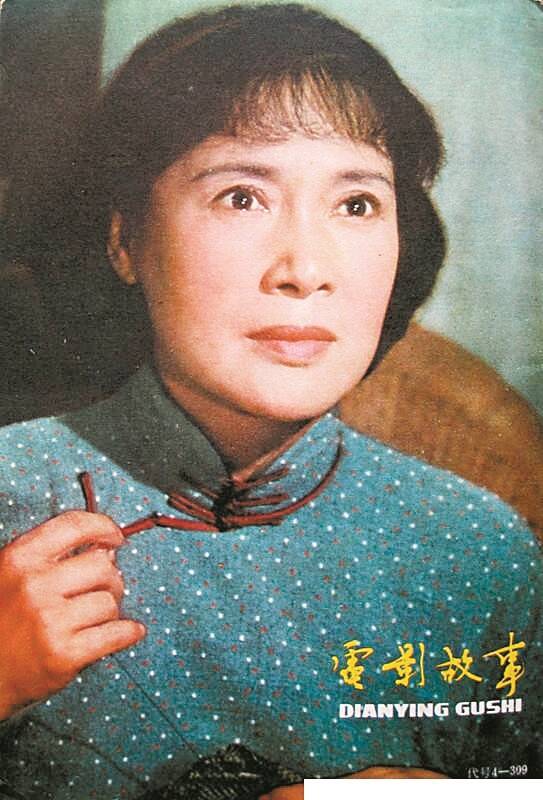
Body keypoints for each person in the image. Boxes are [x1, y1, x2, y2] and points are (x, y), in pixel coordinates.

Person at [0, 4, 541, 798]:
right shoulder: (10, 489)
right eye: (240, 197)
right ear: (123, 239)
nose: (304, 269)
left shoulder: (479, 550)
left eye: (356, 204)